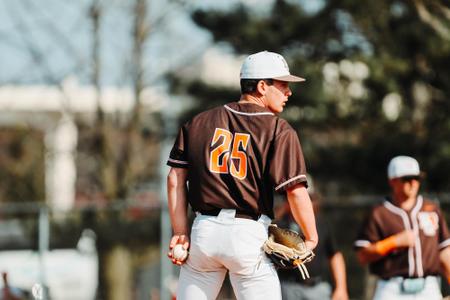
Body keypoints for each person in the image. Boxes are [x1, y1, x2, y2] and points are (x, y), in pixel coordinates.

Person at [166, 50, 318, 300]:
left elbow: (175, 179)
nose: (288, 92)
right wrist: (311, 237)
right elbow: (296, 192)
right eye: (282, 85)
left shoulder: (199, 122)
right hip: (248, 236)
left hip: (205, 232)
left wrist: (179, 231)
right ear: (261, 86)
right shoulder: (278, 129)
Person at [354, 155, 450, 299]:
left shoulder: (431, 209)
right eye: (407, 179)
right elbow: (362, 256)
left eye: (416, 178)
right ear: (392, 181)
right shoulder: (379, 212)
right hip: (392, 289)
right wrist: (393, 242)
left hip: (428, 287)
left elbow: (444, 251)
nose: (413, 183)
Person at [275, 180, 349, 300]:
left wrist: (341, 288)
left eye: (308, 197)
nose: (302, 201)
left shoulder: (321, 222)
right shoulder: (278, 224)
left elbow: (335, 255)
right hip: (288, 287)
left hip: (318, 288)